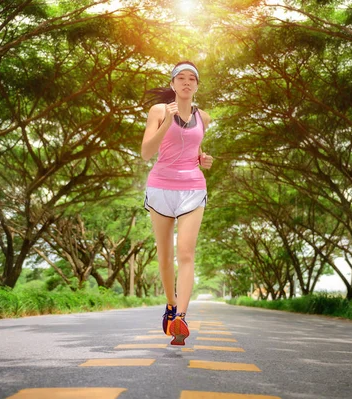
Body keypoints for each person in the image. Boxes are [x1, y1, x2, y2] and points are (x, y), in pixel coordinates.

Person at [141, 61, 213, 346]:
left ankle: (181, 317)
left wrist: (203, 159)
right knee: (164, 255)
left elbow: (194, 148)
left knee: (186, 252)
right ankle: (170, 305)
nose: (186, 82)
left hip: (193, 188)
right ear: (172, 85)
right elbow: (147, 152)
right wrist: (166, 123)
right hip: (160, 187)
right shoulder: (159, 111)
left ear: (196, 85)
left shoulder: (203, 117)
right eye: (180, 78)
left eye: (191, 78)